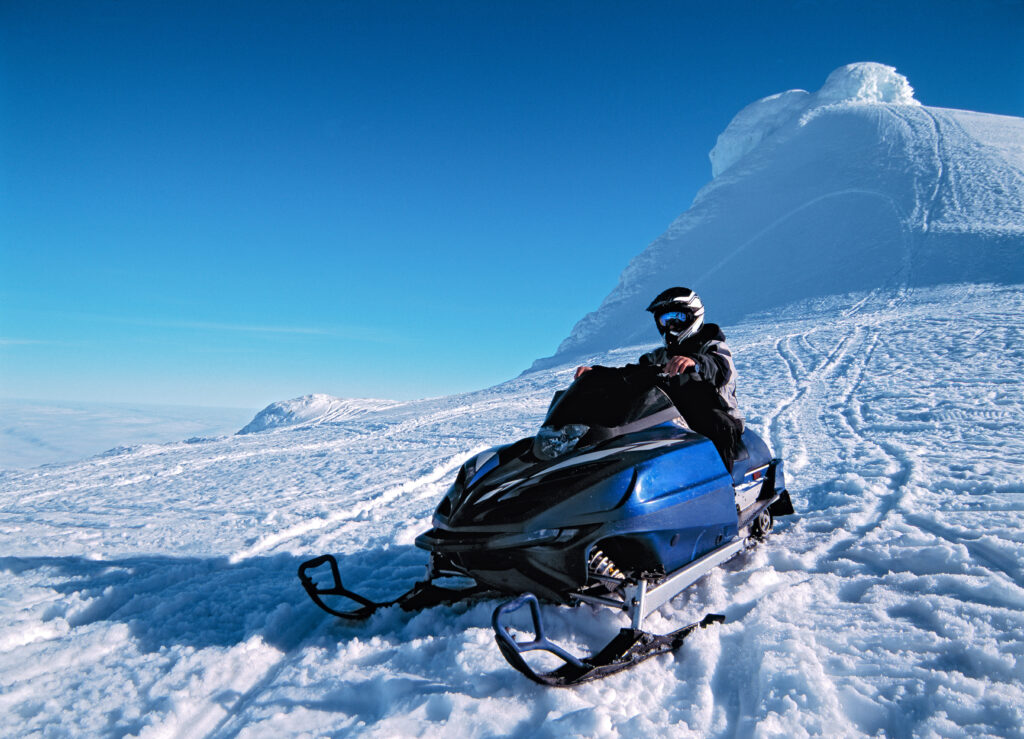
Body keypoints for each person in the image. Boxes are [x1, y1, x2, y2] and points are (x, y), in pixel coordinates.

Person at [575, 287, 745, 470]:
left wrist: (696, 362)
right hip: (671, 418)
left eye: (677, 318)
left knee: (717, 423)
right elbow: (631, 373)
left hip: (716, 416)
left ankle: (726, 488)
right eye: (664, 320)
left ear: (693, 316)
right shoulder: (659, 356)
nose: (670, 326)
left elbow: (720, 367)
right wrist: (597, 374)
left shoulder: (714, 347)